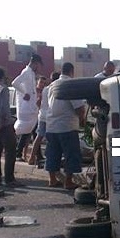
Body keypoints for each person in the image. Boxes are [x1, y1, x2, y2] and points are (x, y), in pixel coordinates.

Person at [45, 62, 86, 190]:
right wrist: (82, 121)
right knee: (71, 154)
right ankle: (68, 181)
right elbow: (79, 107)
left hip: (51, 126)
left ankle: (52, 179)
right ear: (71, 72)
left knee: (52, 153)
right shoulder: (70, 85)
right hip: (67, 126)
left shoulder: (52, 85)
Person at [12, 53, 42, 162]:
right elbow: (14, 83)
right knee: (30, 131)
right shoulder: (26, 72)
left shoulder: (31, 73)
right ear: (35, 63)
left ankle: (36, 155)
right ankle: (19, 153)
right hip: (27, 109)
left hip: (31, 108)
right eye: (38, 65)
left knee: (33, 131)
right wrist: (24, 93)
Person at [28, 71, 59, 166]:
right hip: (51, 117)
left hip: (42, 116)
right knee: (52, 139)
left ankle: (32, 157)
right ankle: (51, 159)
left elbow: (38, 102)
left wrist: (40, 109)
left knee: (39, 137)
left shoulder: (45, 89)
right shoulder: (55, 89)